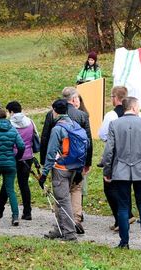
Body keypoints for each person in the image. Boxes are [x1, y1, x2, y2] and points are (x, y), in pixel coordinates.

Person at [101, 96, 141, 251]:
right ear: (135, 108)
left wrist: (107, 170)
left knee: (123, 206)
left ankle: (124, 242)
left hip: (120, 170)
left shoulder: (114, 124)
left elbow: (109, 151)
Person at [40, 86, 93, 233]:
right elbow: (88, 141)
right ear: (74, 99)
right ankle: (75, 219)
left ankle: (66, 227)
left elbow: (46, 140)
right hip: (77, 163)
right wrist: (87, 162)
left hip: (61, 165)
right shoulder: (81, 116)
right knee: (76, 190)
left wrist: (45, 165)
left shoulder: (53, 119)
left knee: (61, 196)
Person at [39, 99, 81, 242]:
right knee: (60, 199)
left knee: (63, 201)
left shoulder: (57, 129)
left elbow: (51, 153)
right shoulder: (75, 125)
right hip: (74, 167)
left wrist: (44, 174)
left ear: (54, 111)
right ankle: (59, 228)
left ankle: (70, 234)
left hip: (61, 169)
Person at [98, 86, 136, 230]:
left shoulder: (111, 115)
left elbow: (102, 134)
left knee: (109, 187)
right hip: (131, 155)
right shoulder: (135, 114)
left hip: (115, 155)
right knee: (125, 186)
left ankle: (121, 218)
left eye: (111, 97)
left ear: (116, 98)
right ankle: (126, 215)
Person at [0, 101, 36, 221]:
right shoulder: (30, 122)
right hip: (27, 157)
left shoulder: (9, 124)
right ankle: (27, 212)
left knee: (7, 184)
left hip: (12, 157)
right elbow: (34, 138)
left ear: (11, 111)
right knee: (24, 185)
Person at [0, 108, 25, 226]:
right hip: (10, 164)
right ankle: (15, 216)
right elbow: (21, 146)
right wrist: (16, 157)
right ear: (6, 117)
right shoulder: (12, 130)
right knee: (10, 190)